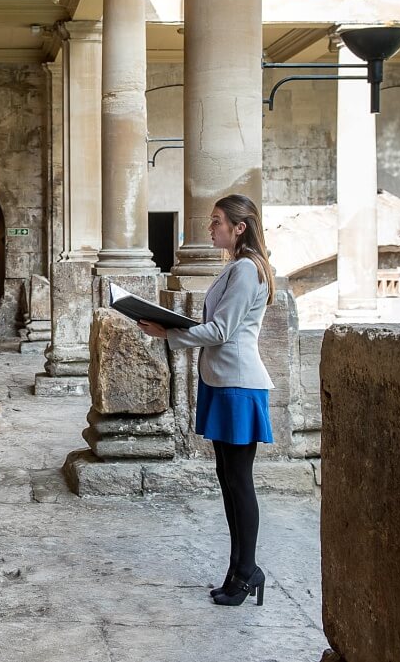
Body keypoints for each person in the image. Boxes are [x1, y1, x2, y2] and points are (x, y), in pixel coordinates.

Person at [138, 194, 275, 607]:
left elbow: (221, 332)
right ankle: (238, 569)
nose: (209, 228)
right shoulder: (233, 267)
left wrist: (169, 334)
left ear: (240, 227)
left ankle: (247, 570)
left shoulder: (248, 270)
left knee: (240, 483)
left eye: (217, 221)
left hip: (238, 383)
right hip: (221, 380)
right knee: (228, 481)